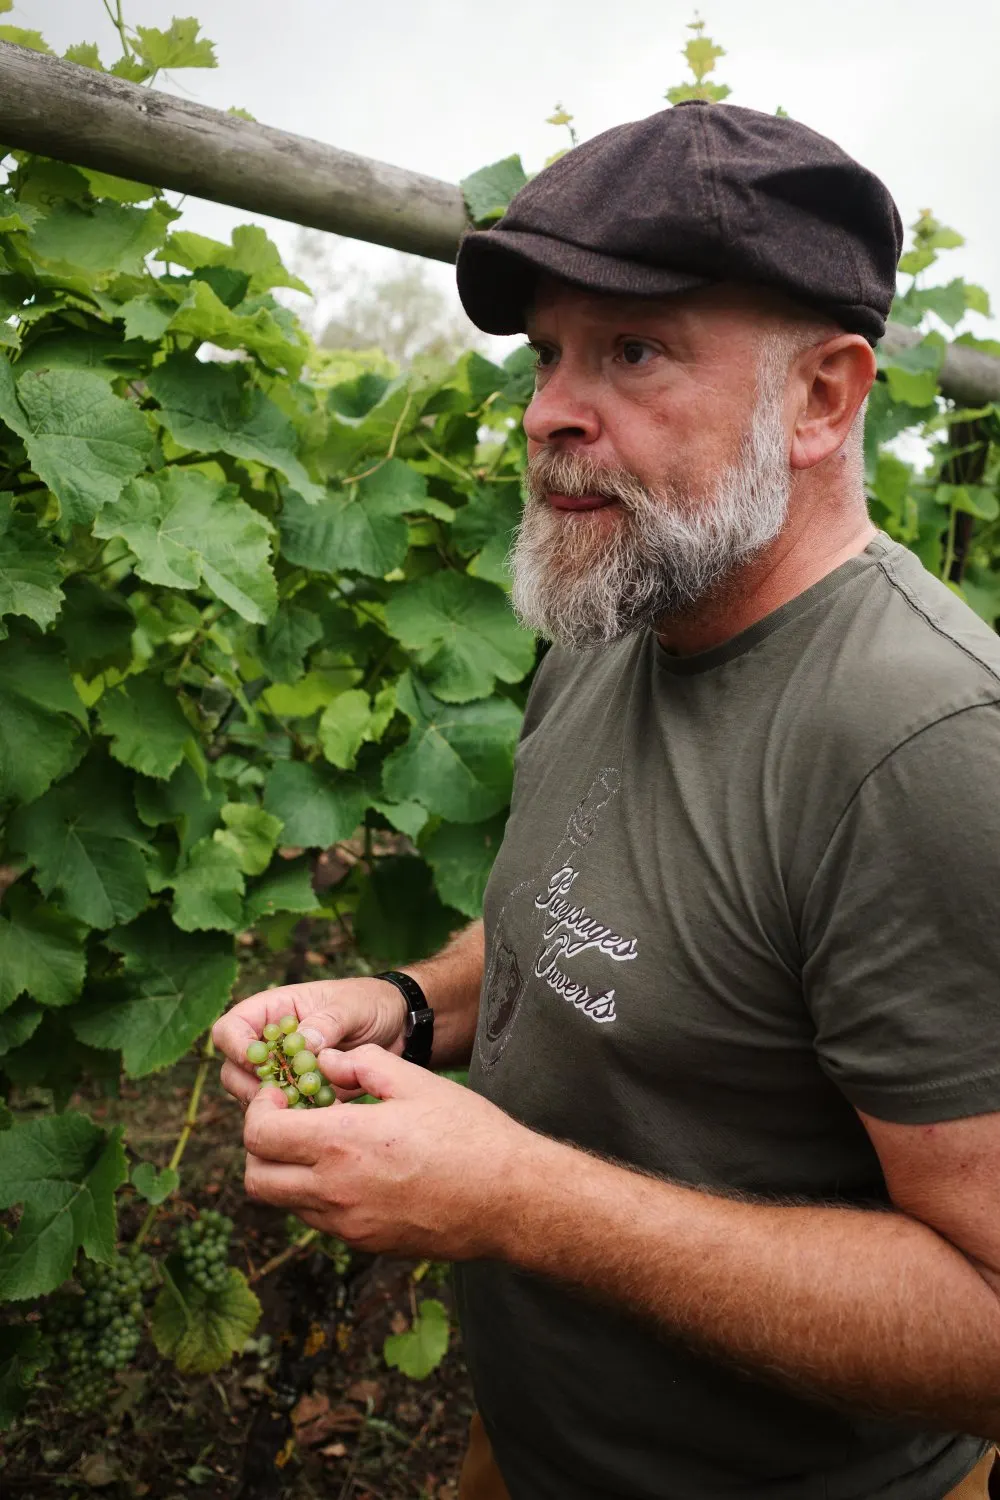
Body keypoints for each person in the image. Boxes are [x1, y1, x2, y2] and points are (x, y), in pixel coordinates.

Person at [213, 101, 1000, 1500]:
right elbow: (586, 917)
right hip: (534, 1446)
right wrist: (405, 1002)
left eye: (634, 351)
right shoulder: (617, 617)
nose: (547, 412)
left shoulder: (925, 747)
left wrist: (514, 1198)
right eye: (551, 353)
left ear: (822, 398)